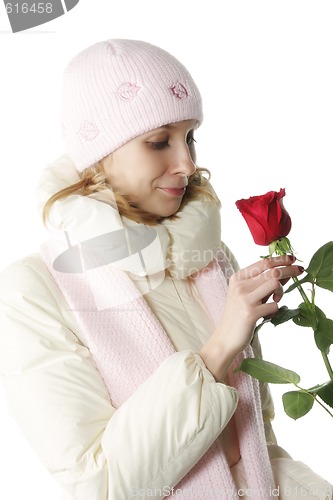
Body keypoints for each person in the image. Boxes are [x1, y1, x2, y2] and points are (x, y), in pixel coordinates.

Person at [0, 39, 331, 500]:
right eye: (159, 141)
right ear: (98, 153)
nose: (188, 164)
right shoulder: (33, 292)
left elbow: (257, 450)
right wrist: (217, 351)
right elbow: (105, 486)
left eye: (189, 136)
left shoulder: (211, 261)